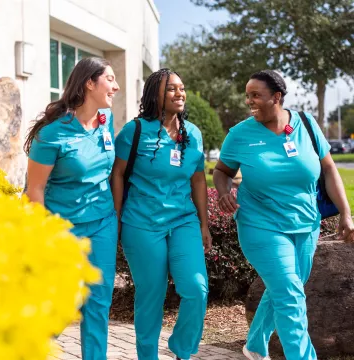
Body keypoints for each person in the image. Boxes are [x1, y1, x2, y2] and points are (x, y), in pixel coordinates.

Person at [213, 70, 354, 360]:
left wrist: (346, 213)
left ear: (276, 97)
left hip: (305, 223)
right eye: (248, 94)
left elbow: (328, 169)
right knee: (290, 294)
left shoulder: (306, 124)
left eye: (256, 95)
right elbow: (222, 171)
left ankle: (254, 345)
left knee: (287, 286)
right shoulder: (240, 134)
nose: (249, 100)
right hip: (259, 224)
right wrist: (225, 191)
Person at [111, 68, 212, 360]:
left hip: (183, 221)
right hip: (142, 224)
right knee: (150, 295)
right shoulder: (135, 130)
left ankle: (181, 348)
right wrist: (116, 217)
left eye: (182, 88)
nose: (179, 93)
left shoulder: (192, 134)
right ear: (155, 94)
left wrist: (204, 223)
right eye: (171, 89)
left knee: (196, 288)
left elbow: (197, 179)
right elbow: (117, 174)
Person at [24, 57, 120, 360]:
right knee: (63, 302)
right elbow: (35, 188)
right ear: (89, 83)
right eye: (110, 79)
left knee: (99, 300)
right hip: (64, 227)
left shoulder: (106, 121)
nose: (116, 87)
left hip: (103, 223)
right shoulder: (53, 133)